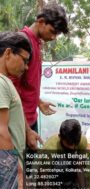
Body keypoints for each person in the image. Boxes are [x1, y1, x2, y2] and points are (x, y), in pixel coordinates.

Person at [10, 2, 68, 151]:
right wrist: (27, 131)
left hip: (30, 117)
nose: (54, 37)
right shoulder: (23, 42)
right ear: (41, 22)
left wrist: (38, 101)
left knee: (28, 168)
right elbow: (11, 91)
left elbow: (27, 83)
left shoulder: (36, 43)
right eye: (52, 31)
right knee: (19, 171)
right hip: (19, 123)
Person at [0, 31, 32, 189]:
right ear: (8, 53)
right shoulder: (0, 82)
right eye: (24, 60)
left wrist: (28, 131)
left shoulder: (6, 81)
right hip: (9, 170)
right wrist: (17, 173)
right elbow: (1, 132)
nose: (26, 67)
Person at [42, 119, 88, 189]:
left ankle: (71, 183)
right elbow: (40, 183)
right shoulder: (50, 149)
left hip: (68, 165)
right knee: (61, 165)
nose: (73, 147)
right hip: (52, 170)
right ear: (60, 137)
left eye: (76, 144)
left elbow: (80, 167)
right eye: (69, 144)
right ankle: (56, 186)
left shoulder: (82, 140)